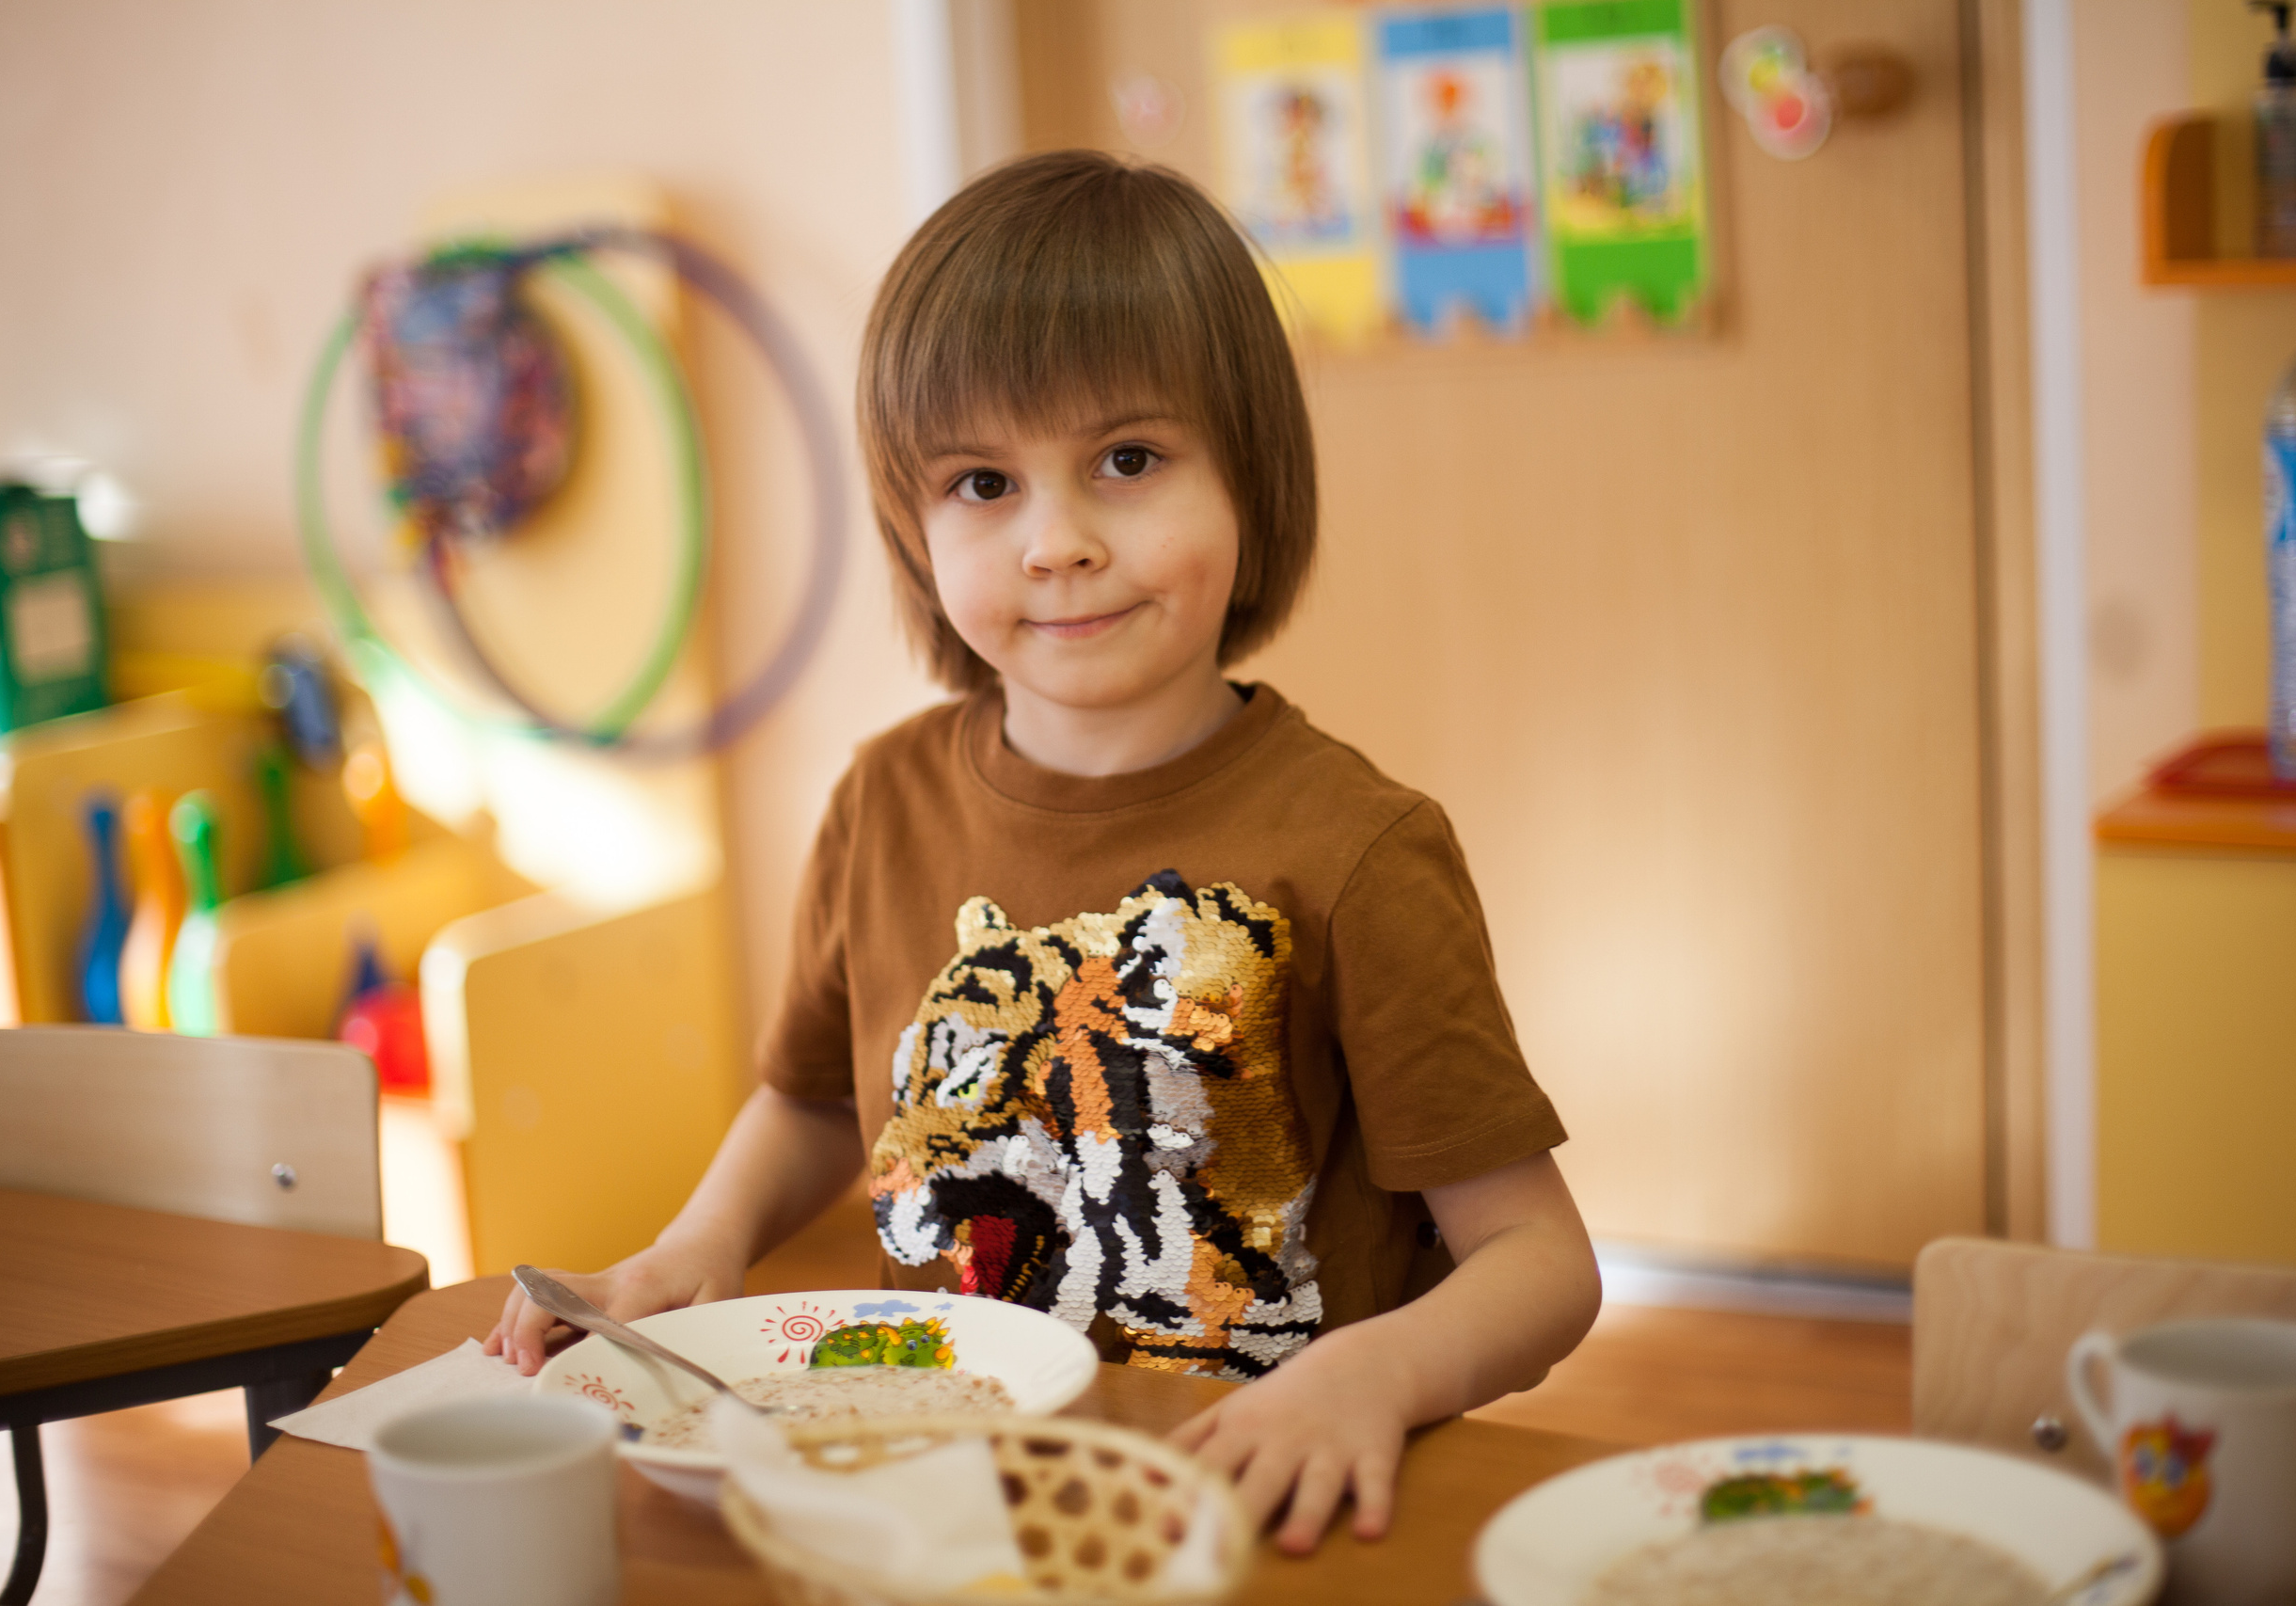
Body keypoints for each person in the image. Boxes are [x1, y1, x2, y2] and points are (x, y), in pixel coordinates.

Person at [488, 149, 1602, 1553]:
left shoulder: (1362, 852)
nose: (1057, 542)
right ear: (913, 524)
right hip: (929, 1506)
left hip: (1254, 1524)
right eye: (981, 482)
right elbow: (823, 1101)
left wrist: (1372, 1376)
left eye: (1126, 461)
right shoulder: (879, 803)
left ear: (1249, 479)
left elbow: (1540, 1263)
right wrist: (693, 1249)